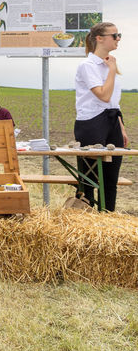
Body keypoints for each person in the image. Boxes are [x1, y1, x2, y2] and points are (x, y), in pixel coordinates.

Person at [74, 22, 128, 211]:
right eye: (115, 35)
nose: (118, 39)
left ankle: (108, 219)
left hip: (112, 120)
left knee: (111, 179)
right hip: (91, 123)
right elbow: (104, 95)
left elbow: (113, 100)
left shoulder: (108, 63)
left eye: (118, 35)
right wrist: (112, 70)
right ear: (100, 38)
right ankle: (86, 223)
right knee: (89, 179)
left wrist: (120, 126)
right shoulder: (87, 65)